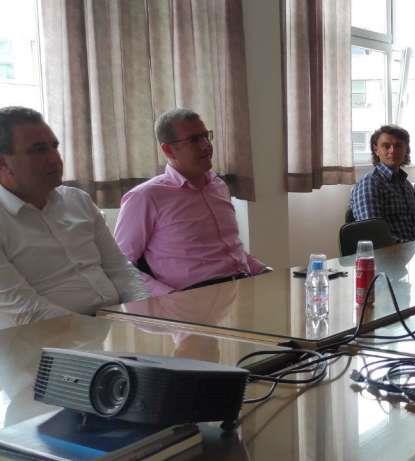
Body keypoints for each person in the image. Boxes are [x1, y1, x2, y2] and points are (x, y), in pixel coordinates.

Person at [0, 106, 148, 329]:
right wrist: (104, 334)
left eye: (54, 147)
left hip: (115, 325)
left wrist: (145, 315)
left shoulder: (77, 200)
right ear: (3, 163)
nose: (55, 159)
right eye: (38, 150)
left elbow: (120, 270)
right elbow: (26, 309)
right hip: (45, 338)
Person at [114, 108, 267, 296]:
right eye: (194, 140)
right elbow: (120, 266)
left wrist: (264, 272)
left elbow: (229, 251)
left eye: (206, 136)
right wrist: (169, 296)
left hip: (241, 288)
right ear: (168, 149)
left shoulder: (218, 186)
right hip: (193, 297)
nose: (206, 146)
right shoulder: (146, 197)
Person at [349, 125, 415, 242]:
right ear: (376, 150)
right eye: (386, 146)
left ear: (406, 150)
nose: (392, 151)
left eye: (398, 146)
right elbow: (374, 235)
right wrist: (412, 247)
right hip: (388, 252)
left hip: (413, 248)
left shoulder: (406, 185)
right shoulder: (369, 184)